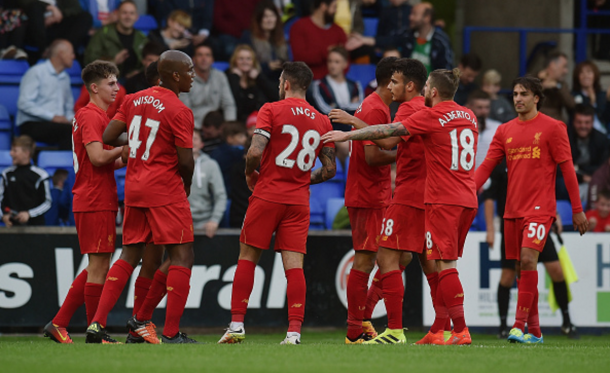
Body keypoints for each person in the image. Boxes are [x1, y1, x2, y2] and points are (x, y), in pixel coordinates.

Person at [323, 68, 479, 346]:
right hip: (465, 196)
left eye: (394, 81)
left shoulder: (422, 113)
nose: (390, 87)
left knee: (391, 258)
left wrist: (348, 130)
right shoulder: (469, 115)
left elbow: (387, 137)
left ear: (427, 89)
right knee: (432, 263)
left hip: (424, 197)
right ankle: (438, 329)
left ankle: (404, 330)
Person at [218, 61, 336, 345]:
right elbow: (330, 170)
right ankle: (293, 333)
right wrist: (301, 180)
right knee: (294, 266)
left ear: (285, 83)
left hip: (268, 194)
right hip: (298, 202)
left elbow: (255, 152)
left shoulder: (270, 109)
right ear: (306, 86)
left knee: (247, 258)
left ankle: (236, 325)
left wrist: (250, 174)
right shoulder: (323, 121)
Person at [89, 50, 197, 344]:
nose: (193, 75)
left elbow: (110, 136)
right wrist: (185, 186)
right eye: (189, 70)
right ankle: (171, 333)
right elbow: (186, 161)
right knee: (182, 256)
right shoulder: (179, 110)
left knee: (130, 254)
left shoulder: (133, 98)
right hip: (164, 189)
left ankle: (100, 323)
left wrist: (137, 141)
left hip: (135, 187)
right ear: (174, 75)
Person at [475, 76, 589, 344]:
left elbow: (568, 170)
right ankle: (535, 331)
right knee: (522, 268)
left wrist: (577, 209)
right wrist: (467, 190)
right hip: (512, 211)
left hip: (540, 209)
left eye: (523, 94)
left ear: (536, 97)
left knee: (527, 259)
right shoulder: (504, 131)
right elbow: (486, 167)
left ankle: (518, 326)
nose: (517, 98)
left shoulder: (553, 128)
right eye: (514, 93)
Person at [43, 60, 125, 344]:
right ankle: (93, 330)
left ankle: (65, 324)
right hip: (94, 198)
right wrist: (123, 149)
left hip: (95, 196)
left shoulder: (96, 115)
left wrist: (126, 155)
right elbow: (98, 158)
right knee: (98, 265)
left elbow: (102, 161)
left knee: (96, 265)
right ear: (94, 87)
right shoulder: (91, 115)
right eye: (111, 83)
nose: (117, 87)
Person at [340, 56, 396, 344]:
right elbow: (373, 156)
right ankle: (354, 330)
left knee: (399, 255)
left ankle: (363, 317)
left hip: (375, 193)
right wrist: (405, 154)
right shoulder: (375, 109)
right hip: (368, 194)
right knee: (365, 260)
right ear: (390, 82)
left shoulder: (375, 106)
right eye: (398, 81)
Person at [347, 2, 453, 73]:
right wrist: (363, 40)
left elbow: (447, 71)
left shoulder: (441, 42)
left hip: (431, 93)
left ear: (427, 18)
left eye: (414, 14)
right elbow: (388, 39)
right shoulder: (407, 34)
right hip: (408, 91)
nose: (410, 17)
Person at [16, 39, 74, 150]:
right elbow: (24, 103)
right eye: (71, 53)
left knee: (83, 129)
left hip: (57, 125)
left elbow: (68, 109)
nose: (73, 56)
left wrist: (71, 119)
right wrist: (52, 117)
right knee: (69, 131)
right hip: (33, 123)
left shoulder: (65, 78)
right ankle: (63, 164)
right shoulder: (36, 72)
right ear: (61, 54)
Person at [179, 41, 237, 128]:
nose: (204, 58)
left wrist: (229, 127)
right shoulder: (185, 79)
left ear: (212, 60)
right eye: (200, 55)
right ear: (193, 59)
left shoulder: (220, 76)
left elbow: (228, 104)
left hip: (216, 126)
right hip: (193, 126)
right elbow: (184, 111)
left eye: (207, 55)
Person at [84, 1, 149, 79]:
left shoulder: (142, 38)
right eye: (124, 13)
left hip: (135, 83)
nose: (128, 16)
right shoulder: (102, 34)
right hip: (107, 80)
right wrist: (113, 61)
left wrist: (139, 73)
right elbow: (89, 61)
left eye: (132, 13)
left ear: (136, 17)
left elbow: (149, 62)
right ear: (117, 15)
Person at [1, 135, 51, 227]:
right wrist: (4, 215)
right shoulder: (6, 174)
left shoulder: (40, 175)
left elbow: (47, 202)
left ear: (26, 153)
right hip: (11, 229)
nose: (11, 153)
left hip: (36, 229)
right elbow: (1, 200)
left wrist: (29, 214)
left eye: (15, 151)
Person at [289, 0, 347, 80]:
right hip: (306, 81)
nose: (336, 11)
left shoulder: (339, 31)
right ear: (323, 6)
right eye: (334, 7)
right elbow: (299, 57)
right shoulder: (299, 27)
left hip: (334, 82)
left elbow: (345, 61)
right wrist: (326, 52)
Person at [309, 46, 363, 125]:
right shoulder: (319, 85)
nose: (332, 65)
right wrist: (349, 107)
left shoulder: (355, 85)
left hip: (352, 130)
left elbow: (359, 108)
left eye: (337, 62)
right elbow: (324, 110)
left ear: (345, 64)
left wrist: (335, 106)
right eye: (330, 61)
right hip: (332, 129)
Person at [226, 44, 279, 122]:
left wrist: (259, 78)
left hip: (258, 121)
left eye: (248, 59)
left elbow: (275, 96)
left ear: (253, 62)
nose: (245, 62)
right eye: (241, 59)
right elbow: (233, 104)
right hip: (237, 122)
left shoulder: (259, 78)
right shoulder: (227, 77)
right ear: (235, 61)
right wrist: (235, 78)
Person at [568, 104, 609, 201]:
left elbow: (603, 166)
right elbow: (557, 167)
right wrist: (582, 177)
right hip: (571, 177)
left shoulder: (601, 139)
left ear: (592, 122)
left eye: (587, 122)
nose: (583, 126)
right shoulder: (565, 137)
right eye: (579, 122)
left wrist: (584, 171)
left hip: (594, 176)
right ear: (573, 122)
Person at [190, 129, 227, 237]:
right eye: (187, 138)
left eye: (195, 139)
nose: (191, 142)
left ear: (201, 143)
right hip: (179, 223)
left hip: (205, 224)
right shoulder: (172, 164)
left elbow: (220, 195)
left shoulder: (211, 165)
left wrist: (214, 220)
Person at [242, 1, 288, 81]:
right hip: (258, 80)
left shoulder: (281, 37)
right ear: (259, 19)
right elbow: (245, 64)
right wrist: (267, 67)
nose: (269, 20)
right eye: (265, 16)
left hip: (279, 79)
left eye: (272, 16)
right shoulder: (249, 37)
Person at [571, 60, 610, 134]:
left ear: (595, 75)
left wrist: (608, 101)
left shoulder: (601, 95)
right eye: (581, 73)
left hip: (603, 133)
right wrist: (592, 102)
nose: (585, 76)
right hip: (582, 134)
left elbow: (605, 118)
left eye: (589, 72)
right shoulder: (573, 95)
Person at [466, 90, 501, 169]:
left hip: (490, 178)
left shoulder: (498, 128)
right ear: (469, 107)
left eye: (487, 107)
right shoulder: (459, 128)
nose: (484, 111)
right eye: (479, 107)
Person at [210, 121, 248, 194]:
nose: (245, 139)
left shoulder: (216, 151)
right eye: (241, 136)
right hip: (229, 191)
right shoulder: (237, 152)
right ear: (230, 139)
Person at [538, 51, 575, 122]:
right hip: (535, 123)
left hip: (555, 123)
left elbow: (571, 104)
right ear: (553, 65)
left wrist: (557, 86)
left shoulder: (561, 84)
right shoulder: (534, 78)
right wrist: (543, 86)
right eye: (564, 67)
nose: (566, 71)